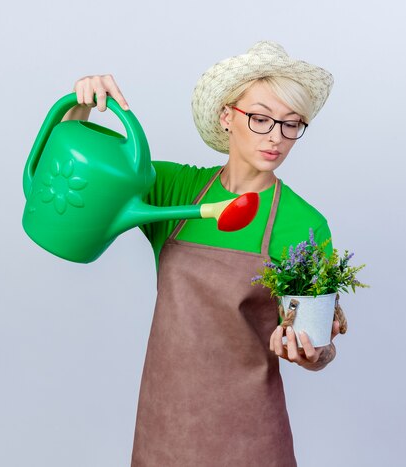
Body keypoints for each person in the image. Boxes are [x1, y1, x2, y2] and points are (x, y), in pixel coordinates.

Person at [64, 41, 341, 466]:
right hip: (165, 426)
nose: (276, 137)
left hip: (252, 434)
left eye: (291, 124)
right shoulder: (175, 191)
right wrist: (79, 109)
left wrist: (311, 351)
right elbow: (78, 178)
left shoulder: (304, 225)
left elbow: (318, 348)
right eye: (261, 118)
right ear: (227, 116)